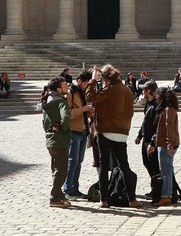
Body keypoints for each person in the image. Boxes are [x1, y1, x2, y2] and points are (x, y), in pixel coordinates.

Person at [85, 64, 141, 208]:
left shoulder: (110, 89)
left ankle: (104, 200)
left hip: (106, 130)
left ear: (106, 78)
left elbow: (90, 96)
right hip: (122, 132)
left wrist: (92, 80)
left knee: (104, 167)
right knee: (124, 166)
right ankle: (132, 199)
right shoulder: (127, 90)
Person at [62, 70, 95, 201]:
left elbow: (85, 113)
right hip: (73, 131)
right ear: (79, 80)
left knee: (79, 161)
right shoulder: (70, 93)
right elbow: (67, 113)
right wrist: (82, 110)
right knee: (72, 161)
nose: (86, 86)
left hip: (83, 130)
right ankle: (67, 189)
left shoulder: (83, 93)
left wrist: (90, 111)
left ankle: (75, 188)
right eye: (85, 84)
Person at [42, 76, 71, 208]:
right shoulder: (61, 102)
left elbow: (44, 122)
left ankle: (59, 195)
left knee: (56, 168)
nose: (67, 87)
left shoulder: (49, 100)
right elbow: (65, 118)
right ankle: (54, 197)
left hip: (50, 139)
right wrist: (63, 128)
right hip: (60, 140)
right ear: (59, 88)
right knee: (62, 170)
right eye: (65, 85)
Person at [149, 88, 181, 207]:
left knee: (166, 171)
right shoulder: (167, 109)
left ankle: (166, 196)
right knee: (168, 170)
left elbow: (169, 127)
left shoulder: (169, 110)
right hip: (163, 143)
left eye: (158, 96)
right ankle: (170, 194)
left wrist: (169, 144)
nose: (157, 98)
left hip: (166, 144)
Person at [136, 83, 164, 201]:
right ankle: (155, 187)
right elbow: (145, 121)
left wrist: (153, 142)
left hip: (153, 140)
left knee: (154, 165)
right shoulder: (148, 103)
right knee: (147, 163)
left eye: (144, 90)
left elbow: (158, 126)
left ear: (148, 91)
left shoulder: (157, 105)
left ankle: (158, 190)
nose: (142, 93)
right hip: (146, 138)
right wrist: (139, 135)